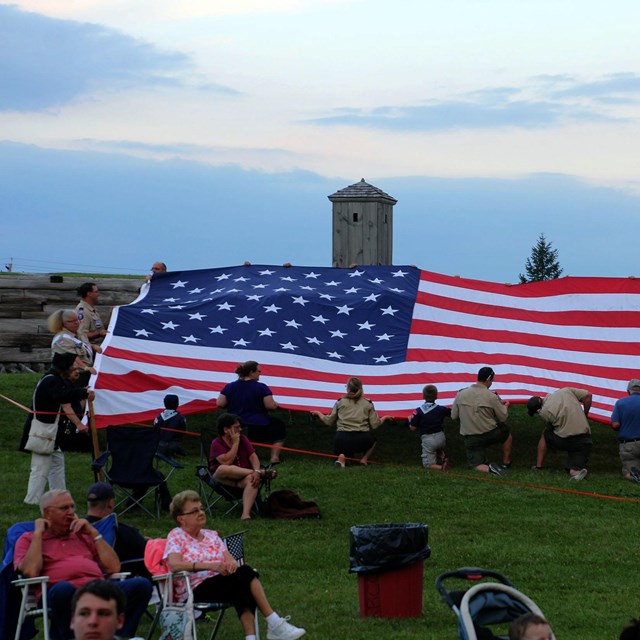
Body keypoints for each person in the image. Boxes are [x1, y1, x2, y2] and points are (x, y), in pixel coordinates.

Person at [163, 490, 305, 640]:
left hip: (219, 584)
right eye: (194, 511)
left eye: (201, 508)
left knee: (243, 583)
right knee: (245, 574)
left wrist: (230, 565)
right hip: (194, 590)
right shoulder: (176, 535)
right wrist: (209, 566)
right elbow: (175, 565)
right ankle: (275, 624)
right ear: (181, 519)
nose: (200, 512)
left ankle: (252, 637)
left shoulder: (212, 535)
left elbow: (230, 559)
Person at [14, 489, 152, 640]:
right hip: (61, 592)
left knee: (141, 585)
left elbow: (114, 567)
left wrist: (93, 532)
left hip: (98, 588)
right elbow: (31, 571)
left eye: (72, 507)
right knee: (63, 589)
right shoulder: (28, 539)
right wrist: (38, 534)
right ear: (47, 513)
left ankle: (118, 636)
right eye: (64, 508)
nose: (71, 512)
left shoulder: (82, 535)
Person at [22, 353, 92, 505]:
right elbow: (62, 396)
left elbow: (65, 393)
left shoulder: (56, 379)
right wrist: (83, 393)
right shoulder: (52, 381)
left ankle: (60, 498)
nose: (75, 368)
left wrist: (81, 391)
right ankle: (32, 500)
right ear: (64, 368)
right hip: (43, 431)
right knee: (40, 467)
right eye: (72, 365)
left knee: (57, 466)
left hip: (51, 432)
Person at [310, 377, 392, 467]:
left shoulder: (340, 402)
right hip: (362, 439)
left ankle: (342, 457)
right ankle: (364, 459)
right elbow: (375, 424)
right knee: (373, 440)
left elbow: (328, 421)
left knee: (344, 447)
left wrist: (318, 413)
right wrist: (384, 417)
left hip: (341, 439)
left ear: (348, 388)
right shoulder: (368, 403)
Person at [216, 361, 287, 464]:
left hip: (235, 427)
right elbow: (270, 406)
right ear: (251, 372)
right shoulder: (261, 387)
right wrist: (275, 404)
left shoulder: (230, 386)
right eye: (258, 371)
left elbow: (220, 403)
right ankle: (274, 457)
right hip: (259, 426)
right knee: (279, 426)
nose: (260, 373)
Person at [209, 413, 274, 521]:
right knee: (223, 468)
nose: (240, 429)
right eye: (236, 427)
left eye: (240, 427)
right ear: (226, 430)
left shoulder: (243, 439)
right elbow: (227, 461)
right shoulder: (216, 443)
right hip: (223, 479)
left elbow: (253, 457)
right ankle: (262, 472)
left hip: (240, 480)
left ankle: (245, 514)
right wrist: (235, 443)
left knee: (251, 479)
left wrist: (256, 471)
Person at [451, 366, 512, 476]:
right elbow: (503, 418)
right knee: (506, 432)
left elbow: (454, 416)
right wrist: (505, 407)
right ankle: (506, 462)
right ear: (489, 380)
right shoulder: (492, 396)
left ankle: (489, 469)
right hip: (491, 434)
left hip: (471, 437)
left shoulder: (461, 394)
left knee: (476, 465)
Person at [85, 482, 150, 578]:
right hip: (116, 583)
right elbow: (149, 550)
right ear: (110, 503)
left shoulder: (78, 528)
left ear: (89, 504)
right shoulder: (122, 532)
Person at [527, 387, 593, 481]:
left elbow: (550, 428)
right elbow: (588, 395)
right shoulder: (565, 391)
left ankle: (538, 466)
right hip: (585, 439)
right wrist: (585, 414)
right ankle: (577, 470)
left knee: (545, 434)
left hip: (566, 440)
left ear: (538, 410)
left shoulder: (544, 413)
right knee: (574, 469)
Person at [409, 384, 452, 470]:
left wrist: (410, 420)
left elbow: (413, 428)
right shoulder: (441, 409)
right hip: (441, 438)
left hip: (428, 440)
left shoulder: (418, 411)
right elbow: (452, 413)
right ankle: (442, 455)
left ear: (423, 396)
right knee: (437, 446)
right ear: (436, 396)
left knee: (428, 465)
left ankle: (443, 467)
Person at [49, 309, 97, 379]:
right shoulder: (62, 339)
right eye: (71, 321)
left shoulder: (79, 333)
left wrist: (93, 346)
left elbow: (83, 346)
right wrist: (86, 368)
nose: (76, 323)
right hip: (71, 376)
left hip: (85, 371)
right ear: (63, 323)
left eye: (77, 320)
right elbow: (72, 358)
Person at [611, 379, 640, 483]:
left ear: (628, 391)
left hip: (629, 445)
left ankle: (634, 476)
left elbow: (615, 424)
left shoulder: (620, 403)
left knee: (629, 472)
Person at [75, 282, 108, 349]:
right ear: (89, 294)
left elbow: (100, 328)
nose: (98, 294)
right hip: (92, 349)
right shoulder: (82, 311)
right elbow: (82, 334)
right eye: (96, 292)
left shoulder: (92, 309)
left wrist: (111, 314)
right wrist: (99, 333)